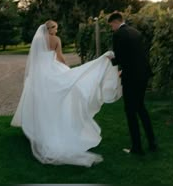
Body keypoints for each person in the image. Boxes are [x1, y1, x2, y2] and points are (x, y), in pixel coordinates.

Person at [11, 20, 122, 167]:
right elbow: (59, 56)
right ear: (52, 29)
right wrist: (67, 70)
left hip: (39, 74)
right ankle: (56, 126)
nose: (57, 30)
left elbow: (34, 58)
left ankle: (38, 129)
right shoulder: (56, 40)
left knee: (39, 101)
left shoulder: (37, 40)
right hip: (52, 70)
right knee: (57, 99)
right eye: (56, 28)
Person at [107, 12, 157, 155]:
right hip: (143, 74)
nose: (112, 29)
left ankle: (137, 147)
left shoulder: (118, 35)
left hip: (131, 77)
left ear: (115, 22)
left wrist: (110, 59)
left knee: (130, 111)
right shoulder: (136, 32)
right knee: (141, 107)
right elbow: (137, 55)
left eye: (112, 26)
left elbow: (119, 57)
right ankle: (152, 142)